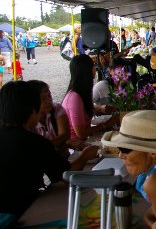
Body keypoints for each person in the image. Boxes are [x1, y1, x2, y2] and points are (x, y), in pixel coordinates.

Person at [0, 81, 98, 218]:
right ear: (31, 110)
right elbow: (66, 176)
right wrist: (86, 155)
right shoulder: (34, 142)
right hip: (21, 214)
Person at [62, 55, 117, 148]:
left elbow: (82, 109)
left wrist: (100, 108)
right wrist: (106, 124)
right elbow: (81, 133)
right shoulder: (74, 97)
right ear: (87, 70)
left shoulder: (82, 91)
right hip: (77, 147)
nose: (95, 68)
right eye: (93, 66)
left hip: (86, 141)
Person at [28, 80, 70, 158]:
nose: (48, 101)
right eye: (43, 99)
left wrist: (45, 146)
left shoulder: (56, 109)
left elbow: (65, 135)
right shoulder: (29, 122)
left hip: (64, 158)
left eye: (49, 96)